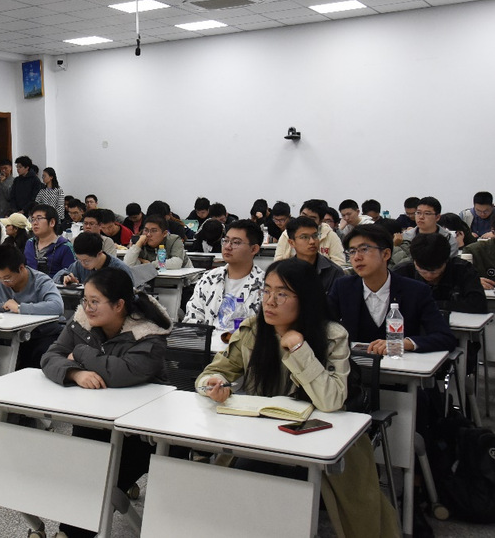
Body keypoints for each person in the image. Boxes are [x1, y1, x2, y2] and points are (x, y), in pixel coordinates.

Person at [197, 258, 399, 538]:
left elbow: (331, 400)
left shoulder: (332, 335)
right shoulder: (253, 330)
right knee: (238, 484)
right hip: (263, 437)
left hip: (326, 439)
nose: (270, 301)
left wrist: (299, 349)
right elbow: (213, 372)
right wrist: (212, 384)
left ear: (305, 298)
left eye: (282, 294)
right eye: (267, 291)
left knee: (315, 497)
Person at [41, 268, 172, 538]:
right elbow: (50, 356)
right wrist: (74, 373)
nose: (87, 308)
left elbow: (122, 372)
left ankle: (70, 533)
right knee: (83, 475)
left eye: (95, 301)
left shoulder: (149, 333)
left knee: (98, 484)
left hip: (139, 431)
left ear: (119, 305)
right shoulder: (82, 321)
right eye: (85, 300)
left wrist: (79, 352)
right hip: (95, 419)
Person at [328, 224, 456, 354]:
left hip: (401, 364)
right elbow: (324, 325)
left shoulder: (415, 291)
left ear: (386, 254)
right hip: (356, 363)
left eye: (364, 249)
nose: (357, 257)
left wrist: (405, 343)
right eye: (352, 251)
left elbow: (445, 338)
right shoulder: (343, 287)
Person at [0, 244, 65, 368]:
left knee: (36, 355)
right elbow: (1, 308)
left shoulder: (41, 281)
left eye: (7, 278)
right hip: (16, 333)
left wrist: (20, 308)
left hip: (44, 333)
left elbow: (57, 306)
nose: (3, 282)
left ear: (21, 268)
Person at [184, 220, 266, 327]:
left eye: (236, 242)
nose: (227, 246)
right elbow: (192, 317)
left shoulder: (265, 284)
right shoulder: (209, 278)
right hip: (207, 337)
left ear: (254, 249)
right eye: (226, 240)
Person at [392, 233, 487, 313]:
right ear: (414, 261)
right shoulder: (402, 273)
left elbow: (478, 304)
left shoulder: (463, 269)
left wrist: (430, 304)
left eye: (435, 271)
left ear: (446, 261)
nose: (429, 275)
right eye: (423, 270)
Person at [273, 199, 345, 267]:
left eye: (312, 218)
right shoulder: (287, 233)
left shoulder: (330, 235)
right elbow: (278, 262)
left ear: (321, 221)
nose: (306, 220)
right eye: (303, 215)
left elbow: (339, 263)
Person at [285, 216, 344, 293]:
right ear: (292, 243)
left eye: (315, 236)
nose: (312, 241)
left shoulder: (334, 272)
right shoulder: (284, 271)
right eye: (304, 237)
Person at [54, 232, 133, 285]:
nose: (83, 264)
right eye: (79, 259)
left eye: (86, 261)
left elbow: (131, 297)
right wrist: (65, 278)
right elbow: (56, 277)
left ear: (99, 254)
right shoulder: (79, 265)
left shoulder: (119, 269)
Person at [24, 204, 76, 277]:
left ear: (52, 222)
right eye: (32, 219)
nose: (34, 223)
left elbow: (71, 275)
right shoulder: (30, 243)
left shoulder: (65, 246)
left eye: (39, 218)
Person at [124, 214, 188, 268]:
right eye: (146, 230)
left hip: (184, 278)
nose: (148, 234)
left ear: (164, 233)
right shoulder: (140, 242)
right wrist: (138, 244)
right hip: (152, 277)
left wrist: (150, 264)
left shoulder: (174, 240)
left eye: (154, 231)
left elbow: (176, 263)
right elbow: (127, 265)